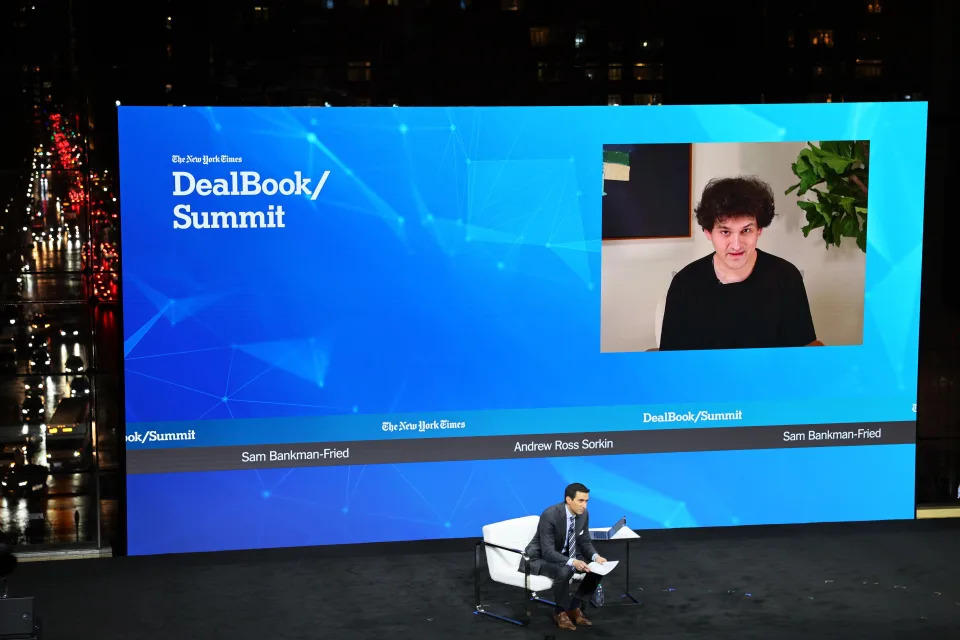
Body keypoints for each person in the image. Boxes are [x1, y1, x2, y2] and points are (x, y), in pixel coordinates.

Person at [659, 176, 817, 351]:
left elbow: (799, 355)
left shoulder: (786, 277)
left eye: (746, 230)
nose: (736, 245)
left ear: (759, 230)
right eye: (725, 232)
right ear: (708, 232)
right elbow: (672, 361)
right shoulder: (685, 283)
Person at [519, 483, 607, 631]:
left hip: (562, 555)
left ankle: (573, 607)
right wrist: (572, 561)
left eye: (586, 501)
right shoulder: (550, 515)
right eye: (580, 501)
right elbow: (547, 551)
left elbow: (584, 541)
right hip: (538, 559)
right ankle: (560, 612)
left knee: (595, 569)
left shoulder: (583, 514)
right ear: (568, 499)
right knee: (565, 571)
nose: (584, 505)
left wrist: (595, 556)